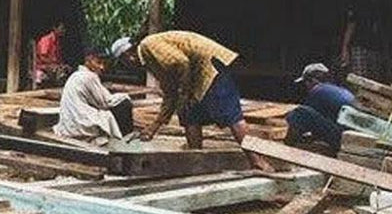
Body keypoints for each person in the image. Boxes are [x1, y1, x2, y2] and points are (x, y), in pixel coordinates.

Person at [111, 29, 275, 172]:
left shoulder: (147, 46)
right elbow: (170, 94)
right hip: (193, 75)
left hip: (210, 67)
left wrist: (185, 92)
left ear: (128, 55)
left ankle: (258, 162)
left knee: (231, 117)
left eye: (124, 63)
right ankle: (196, 159)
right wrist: (154, 127)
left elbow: (181, 62)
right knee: (188, 113)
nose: (127, 67)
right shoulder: (151, 62)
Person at [55, 49, 135, 144]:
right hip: (81, 123)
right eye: (98, 63)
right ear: (88, 60)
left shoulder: (76, 75)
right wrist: (125, 96)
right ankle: (123, 139)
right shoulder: (89, 76)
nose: (102, 67)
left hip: (69, 124)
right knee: (124, 104)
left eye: (103, 63)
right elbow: (105, 102)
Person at [286, 62, 355, 153]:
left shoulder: (318, 90)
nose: (306, 86)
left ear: (313, 80)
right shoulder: (339, 90)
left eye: (306, 82)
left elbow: (304, 118)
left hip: (344, 138)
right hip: (354, 135)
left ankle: (287, 147)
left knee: (298, 112)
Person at [340, 0, 388, 81]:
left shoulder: (380, 7)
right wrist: (345, 48)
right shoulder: (359, 5)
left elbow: (381, 31)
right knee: (360, 80)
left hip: (375, 48)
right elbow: (351, 25)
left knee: (375, 81)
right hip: (359, 46)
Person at [34, 21, 70, 87]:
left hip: (52, 66)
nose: (64, 31)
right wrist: (55, 63)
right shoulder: (46, 40)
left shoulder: (57, 42)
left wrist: (62, 65)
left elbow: (58, 59)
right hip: (42, 67)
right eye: (62, 28)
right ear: (55, 28)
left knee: (67, 68)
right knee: (59, 72)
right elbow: (42, 57)